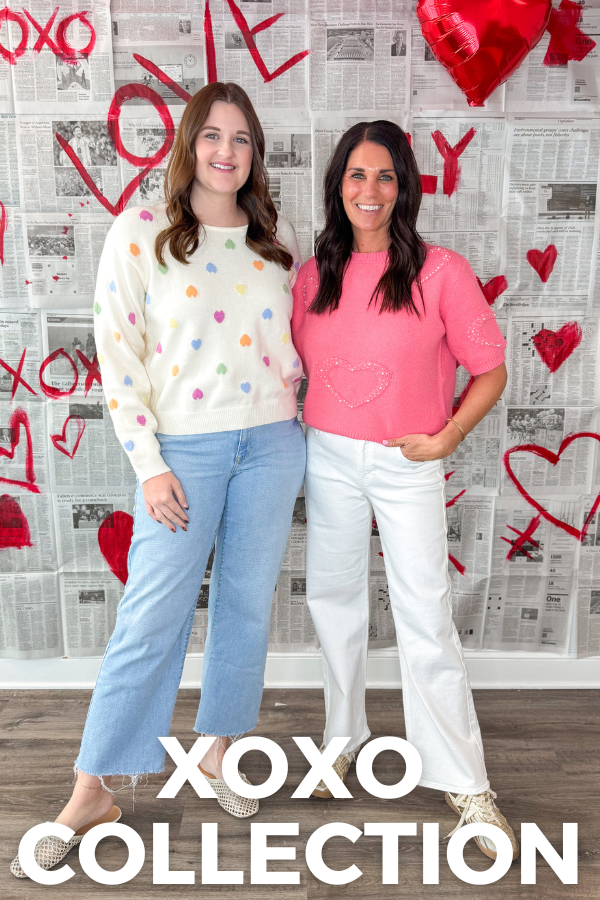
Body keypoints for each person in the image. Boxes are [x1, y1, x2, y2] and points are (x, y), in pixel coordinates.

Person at [11, 81, 306, 879]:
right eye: (212, 135)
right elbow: (119, 355)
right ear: (188, 144)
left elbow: (295, 346)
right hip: (184, 454)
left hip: (274, 444)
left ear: (255, 153)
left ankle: (217, 751)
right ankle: (92, 789)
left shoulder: (275, 241)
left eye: (241, 139)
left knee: (245, 605)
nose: (226, 152)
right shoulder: (141, 232)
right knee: (150, 618)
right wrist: (150, 466)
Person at [292, 120, 519, 863]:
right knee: (334, 602)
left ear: (404, 187)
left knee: (425, 613)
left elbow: (490, 370)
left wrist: (448, 437)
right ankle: (342, 740)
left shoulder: (441, 271)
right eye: (357, 175)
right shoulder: (312, 275)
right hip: (327, 456)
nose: (370, 190)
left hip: (407, 460)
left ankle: (464, 781)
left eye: (385, 176)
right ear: (338, 186)